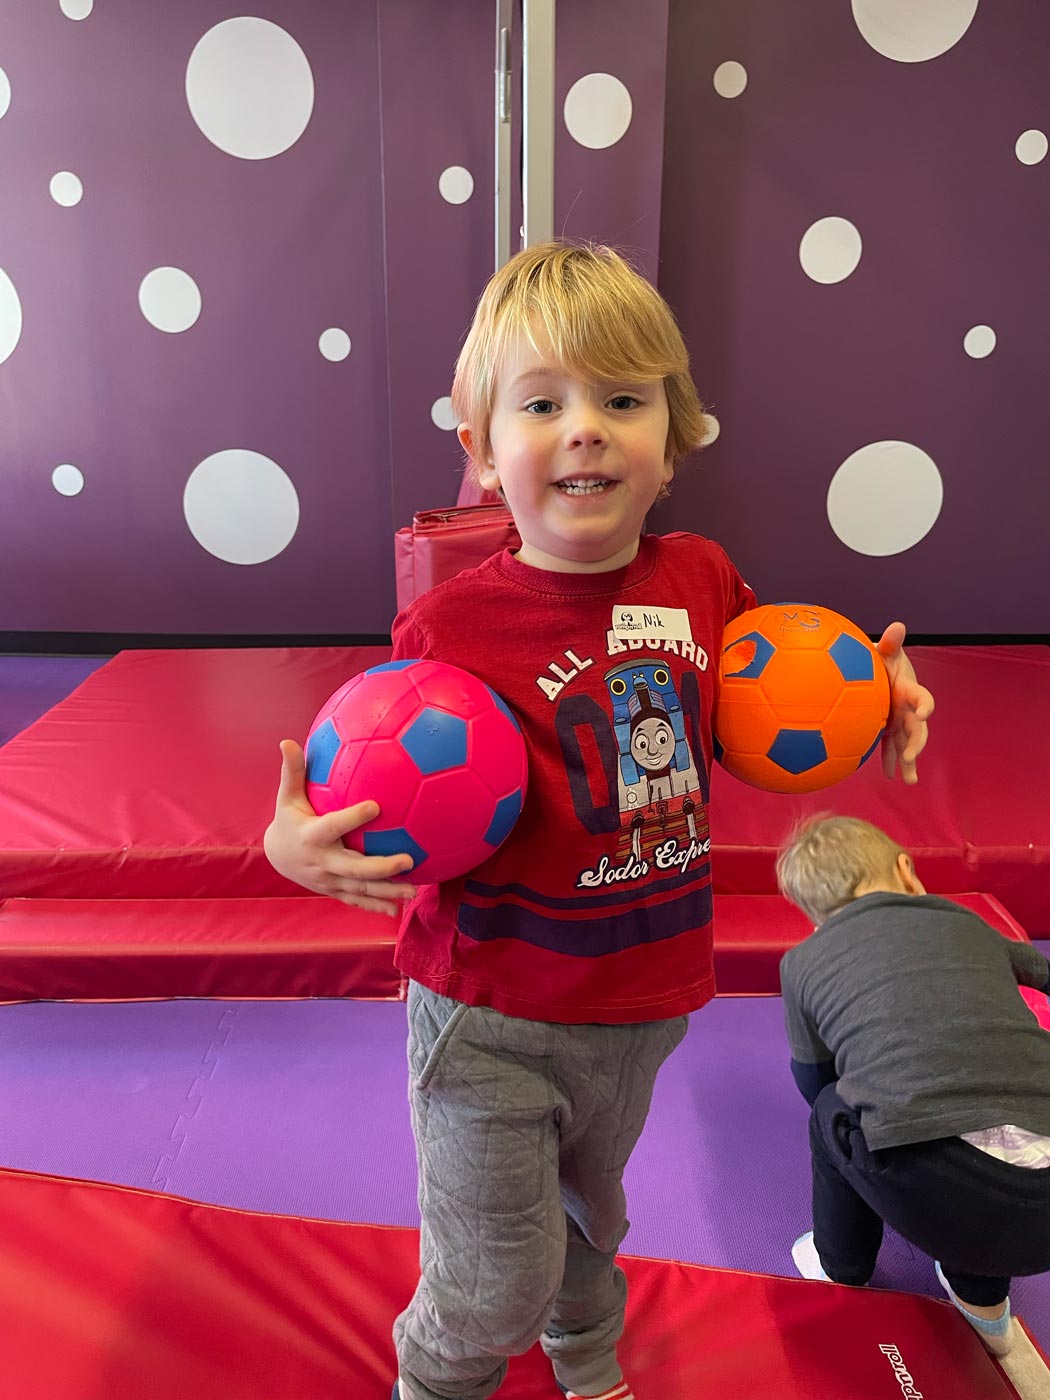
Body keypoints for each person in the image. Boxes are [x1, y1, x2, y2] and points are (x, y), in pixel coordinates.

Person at [264, 242, 933, 1400]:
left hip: (646, 998)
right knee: (488, 1275)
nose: (586, 427)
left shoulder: (705, 578)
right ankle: (438, 1378)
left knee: (593, 1211)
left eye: (623, 400)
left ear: (669, 444)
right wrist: (292, 841)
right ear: (481, 451)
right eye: (543, 402)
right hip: (490, 1014)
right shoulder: (453, 627)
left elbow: (783, 692)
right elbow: (360, 775)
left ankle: (587, 1355)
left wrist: (877, 697)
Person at [777, 814, 1050, 1357]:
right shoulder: (965, 921)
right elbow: (1041, 972)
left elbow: (815, 1079)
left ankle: (841, 1264)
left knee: (832, 1111)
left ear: (814, 918)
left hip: (941, 1197)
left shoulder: (803, 960)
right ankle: (985, 1306)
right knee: (998, 1095)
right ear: (906, 869)